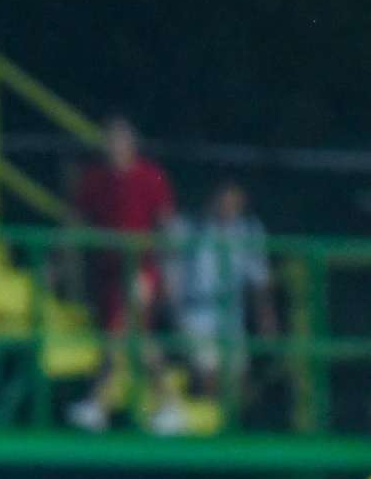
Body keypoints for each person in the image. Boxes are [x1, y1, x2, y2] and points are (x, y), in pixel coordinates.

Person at [67, 116, 176, 432]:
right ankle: (168, 405)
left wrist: (168, 270)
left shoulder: (151, 176)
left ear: (132, 144)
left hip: (140, 268)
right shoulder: (95, 178)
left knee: (119, 332)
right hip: (108, 272)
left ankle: (98, 403)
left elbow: (165, 224)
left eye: (119, 140)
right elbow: (75, 220)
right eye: (109, 140)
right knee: (138, 338)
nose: (113, 146)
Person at [165, 181, 277, 409]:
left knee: (238, 377)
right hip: (194, 310)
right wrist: (173, 311)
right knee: (208, 374)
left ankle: (229, 422)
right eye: (224, 202)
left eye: (234, 204)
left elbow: (258, 276)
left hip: (230, 312)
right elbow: (171, 271)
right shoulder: (187, 226)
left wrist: (266, 315)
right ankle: (208, 420)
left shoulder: (248, 230)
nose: (229, 209)